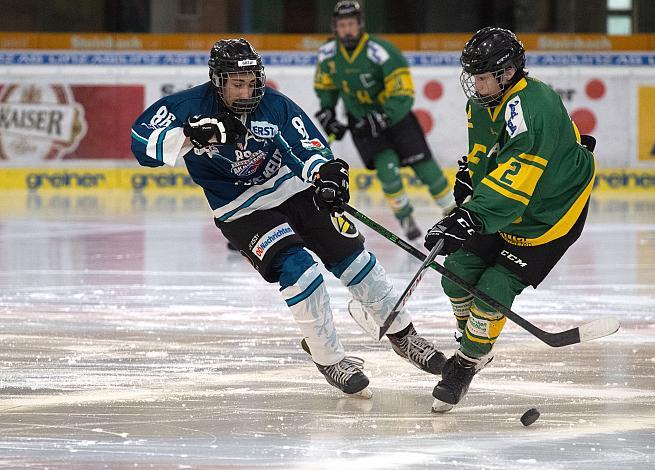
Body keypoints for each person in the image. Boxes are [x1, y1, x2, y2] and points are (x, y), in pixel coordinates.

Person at [130, 38, 446, 399]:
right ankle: (329, 358)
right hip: (241, 209)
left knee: (356, 261)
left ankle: (404, 336)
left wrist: (326, 175)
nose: (248, 90)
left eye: (253, 81)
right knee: (300, 269)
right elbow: (141, 139)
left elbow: (306, 145)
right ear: (217, 81)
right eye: (238, 83)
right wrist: (186, 136)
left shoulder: (274, 106)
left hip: (292, 190)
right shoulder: (186, 106)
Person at [423, 27, 596, 412]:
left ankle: (467, 362)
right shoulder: (481, 105)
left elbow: (517, 177)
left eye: (483, 77)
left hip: (548, 215)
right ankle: (473, 342)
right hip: (505, 207)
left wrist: (470, 215)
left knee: (494, 290)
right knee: (457, 272)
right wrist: (472, 175)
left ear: (508, 72)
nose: (476, 85)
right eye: (474, 76)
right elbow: (490, 156)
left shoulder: (534, 106)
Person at [313, 0, 455, 241]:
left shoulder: (381, 51)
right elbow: (326, 85)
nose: (347, 29)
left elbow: (403, 93)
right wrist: (328, 111)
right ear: (335, 27)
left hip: (397, 121)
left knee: (427, 171)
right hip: (363, 125)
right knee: (387, 172)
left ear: (360, 25)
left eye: (351, 24)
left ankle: (454, 213)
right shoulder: (328, 54)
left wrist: (382, 116)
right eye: (342, 24)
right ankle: (405, 218)